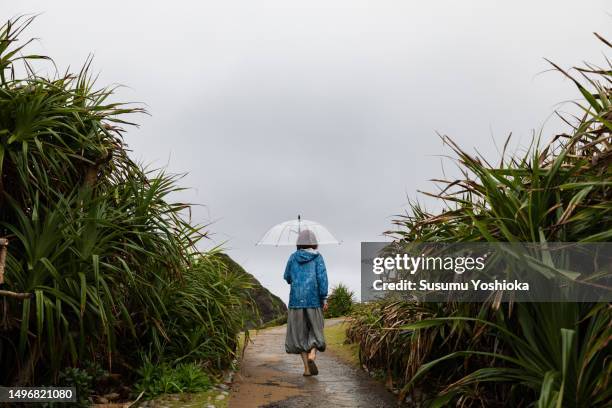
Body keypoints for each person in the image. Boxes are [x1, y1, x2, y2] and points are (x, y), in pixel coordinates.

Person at [283, 229, 329, 376]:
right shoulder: (318, 258)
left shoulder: (292, 257)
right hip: (313, 300)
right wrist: (324, 298)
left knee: (300, 335)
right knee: (316, 330)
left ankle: (306, 369)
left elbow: (287, 277)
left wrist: (296, 278)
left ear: (299, 244)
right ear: (314, 244)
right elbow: (322, 279)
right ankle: (312, 354)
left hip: (296, 301)